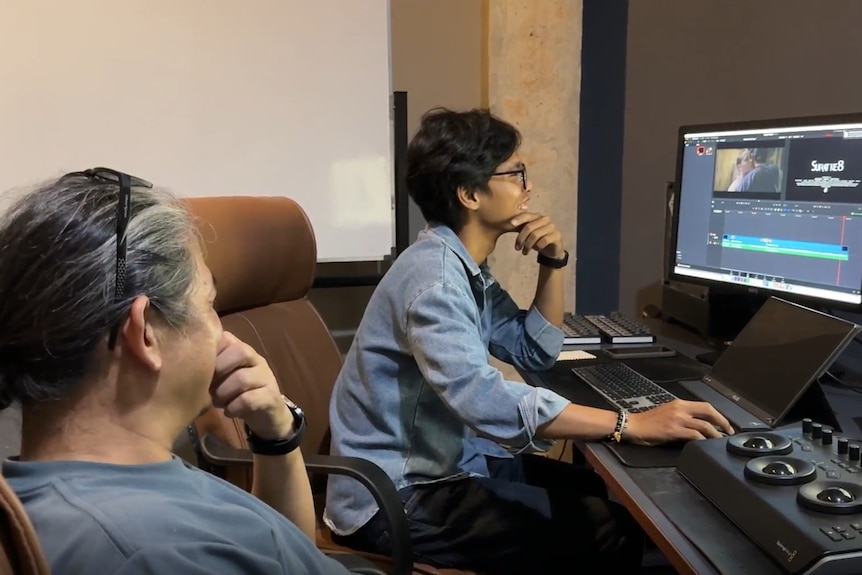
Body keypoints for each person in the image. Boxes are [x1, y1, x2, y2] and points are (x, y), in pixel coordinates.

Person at [324, 108, 733, 574]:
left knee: (594, 489)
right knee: (609, 527)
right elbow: (482, 398)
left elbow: (532, 349)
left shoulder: (462, 266)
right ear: (470, 193)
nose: (528, 186)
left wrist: (553, 263)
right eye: (515, 173)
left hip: (448, 465)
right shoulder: (435, 280)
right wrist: (628, 423)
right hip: (395, 497)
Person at [0, 169, 352, 575]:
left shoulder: (86, 490)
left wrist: (275, 438)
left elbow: (283, 552)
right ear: (146, 331)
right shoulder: (162, 553)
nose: (222, 332)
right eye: (209, 304)